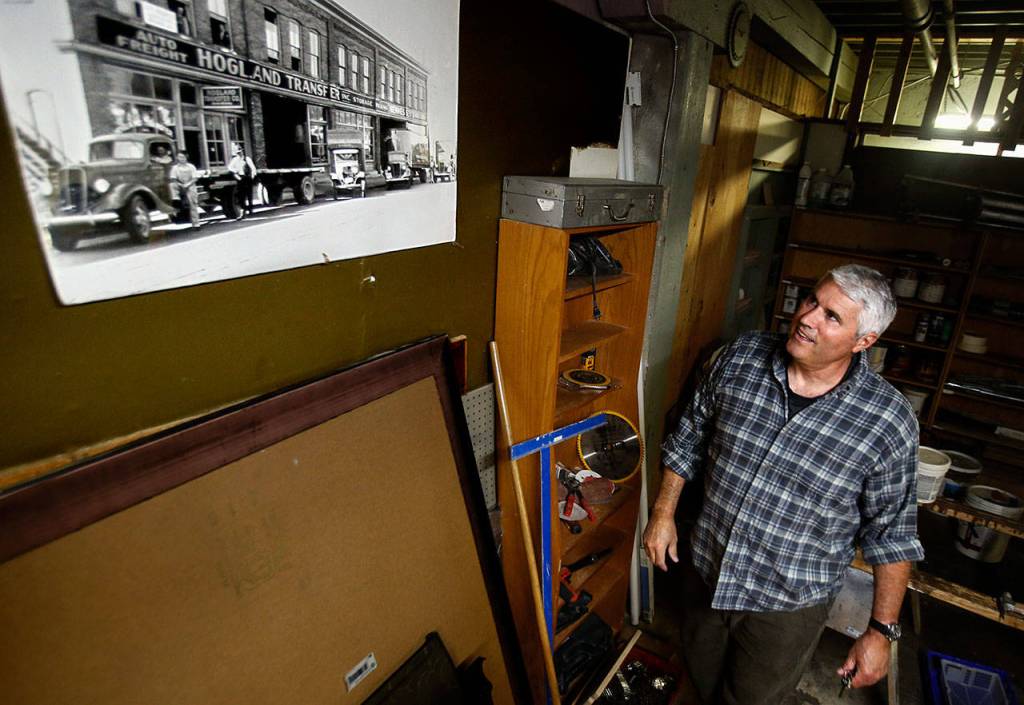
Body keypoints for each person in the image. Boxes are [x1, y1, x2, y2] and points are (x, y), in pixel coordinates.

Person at [643, 264, 923, 705]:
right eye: (812, 300)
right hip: (706, 570)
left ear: (863, 341)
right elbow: (687, 438)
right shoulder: (740, 358)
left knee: (753, 700)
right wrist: (663, 514)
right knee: (700, 679)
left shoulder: (887, 421)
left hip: (786, 605)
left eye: (832, 316)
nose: (807, 318)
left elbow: (893, 535)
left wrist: (880, 632)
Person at [169, 150, 200, 229]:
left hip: (190, 185)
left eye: (183, 157)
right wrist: (181, 185)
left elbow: (195, 178)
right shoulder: (175, 168)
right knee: (171, 185)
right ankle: (176, 199)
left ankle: (196, 224)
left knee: (193, 204)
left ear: (186, 157)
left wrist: (187, 184)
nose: (181, 159)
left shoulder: (191, 167)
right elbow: (173, 179)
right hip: (180, 185)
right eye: (179, 157)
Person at [227, 143, 257, 219]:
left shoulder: (247, 159)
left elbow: (253, 168)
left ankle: (250, 209)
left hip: (247, 178)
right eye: (238, 152)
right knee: (241, 196)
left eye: (240, 152)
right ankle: (243, 211)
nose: (239, 153)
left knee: (249, 195)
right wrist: (235, 171)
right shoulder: (235, 160)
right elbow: (230, 167)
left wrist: (252, 175)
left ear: (242, 151)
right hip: (240, 178)